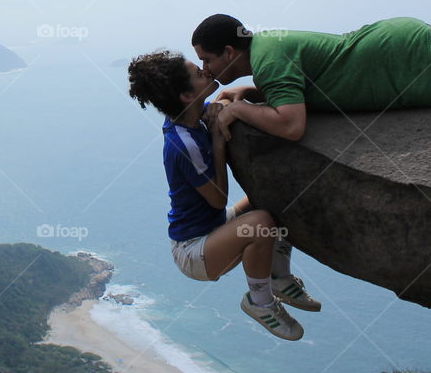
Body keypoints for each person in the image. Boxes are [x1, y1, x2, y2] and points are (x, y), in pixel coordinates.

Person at [127, 50, 320, 341]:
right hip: (194, 251)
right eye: (197, 73)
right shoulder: (183, 143)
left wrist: (222, 105)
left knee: (272, 199)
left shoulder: (192, 116)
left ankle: (279, 278)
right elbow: (217, 199)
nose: (206, 71)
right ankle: (259, 301)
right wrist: (218, 143)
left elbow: (229, 95)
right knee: (261, 223)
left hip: (213, 230)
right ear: (185, 95)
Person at [190, 14, 431, 141]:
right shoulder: (267, 48)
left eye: (206, 59)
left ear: (230, 52)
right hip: (409, 47)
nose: (204, 69)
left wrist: (237, 110)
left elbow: (291, 126)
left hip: (419, 62)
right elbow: (300, 81)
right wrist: (250, 93)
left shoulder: (269, 60)